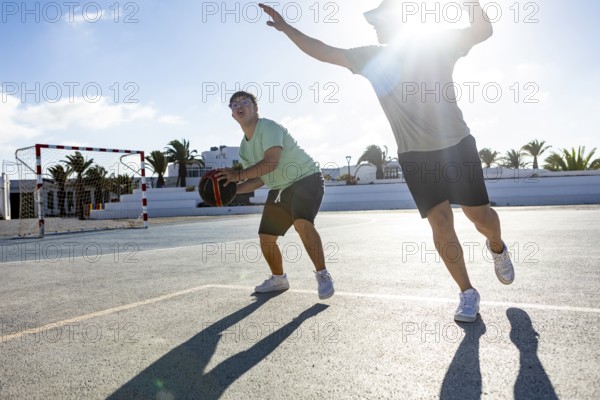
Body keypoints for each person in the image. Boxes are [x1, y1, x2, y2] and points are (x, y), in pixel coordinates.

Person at [259, 0, 514, 322]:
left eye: (378, 20)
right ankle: (467, 292)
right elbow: (324, 50)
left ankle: (497, 246)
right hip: (413, 155)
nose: (374, 26)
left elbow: (482, 30)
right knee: (440, 221)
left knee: (479, 216)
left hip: (456, 145)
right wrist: (286, 28)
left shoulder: (437, 45)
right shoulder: (372, 57)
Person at [216, 91, 334, 300]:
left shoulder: (268, 127)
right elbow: (260, 177)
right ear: (233, 115)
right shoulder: (244, 147)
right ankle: (279, 279)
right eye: (235, 104)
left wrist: (238, 175)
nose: (239, 105)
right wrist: (230, 192)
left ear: (255, 108)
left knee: (301, 222)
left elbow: (271, 163)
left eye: (245, 102)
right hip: (279, 188)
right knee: (266, 238)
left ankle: (323, 275)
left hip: (306, 178)